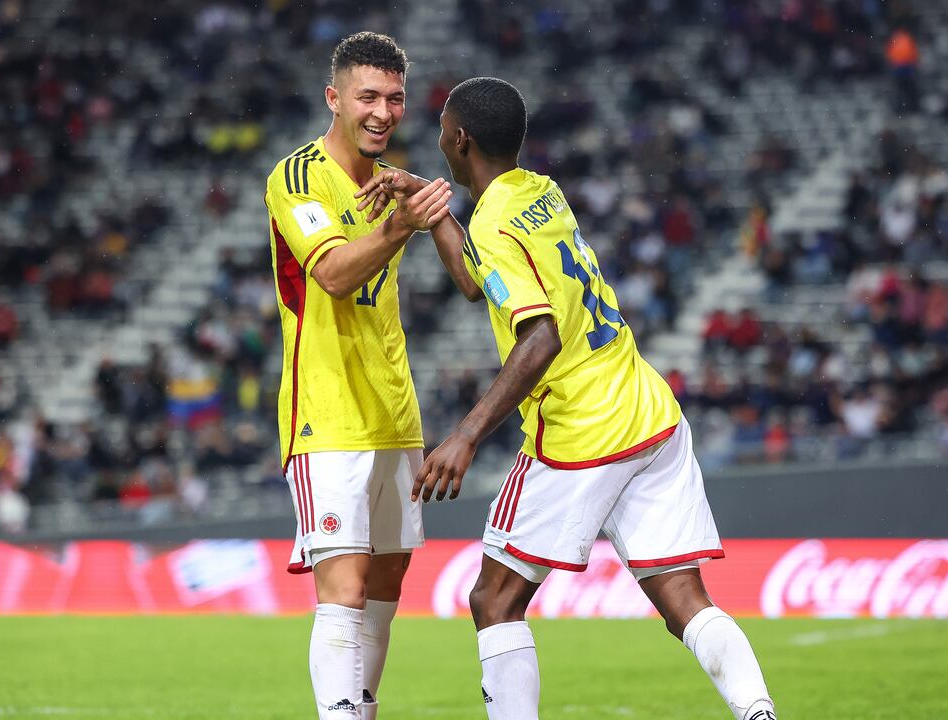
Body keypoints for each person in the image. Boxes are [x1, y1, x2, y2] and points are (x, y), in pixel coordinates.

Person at [359, 77, 777, 719]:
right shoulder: (537, 192)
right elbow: (481, 284)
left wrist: (467, 433)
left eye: (443, 126)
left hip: (581, 429)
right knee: (685, 601)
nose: (438, 135)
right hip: (647, 411)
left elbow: (541, 337)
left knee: (493, 601)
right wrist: (433, 207)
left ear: (460, 138)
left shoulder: (497, 220)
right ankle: (759, 712)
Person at [262, 32, 473, 720]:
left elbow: (472, 280)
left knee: (385, 588)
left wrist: (430, 214)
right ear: (335, 99)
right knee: (344, 591)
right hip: (327, 416)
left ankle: (360, 709)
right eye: (368, 97)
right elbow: (332, 275)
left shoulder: (393, 182)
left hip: (394, 415)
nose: (383, 111)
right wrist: (399, 226)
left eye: (395, 98)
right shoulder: (298, 176)